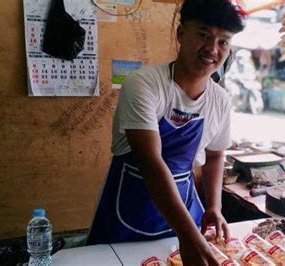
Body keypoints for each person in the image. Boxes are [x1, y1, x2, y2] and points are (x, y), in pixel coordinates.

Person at [86, 1, 245, 265]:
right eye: (203, 35)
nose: (212, 49)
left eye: (223, 42)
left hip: (185, 211)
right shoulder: (144, 84)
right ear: (181, 35)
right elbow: (151, 162)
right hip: (127, 209)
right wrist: (189, 236)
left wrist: (214, 207)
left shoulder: (220, 100)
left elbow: (215, 157)